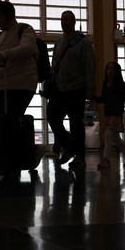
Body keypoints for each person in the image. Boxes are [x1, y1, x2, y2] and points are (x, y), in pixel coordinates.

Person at [46, 10, 96, 168]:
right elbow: (54, 65)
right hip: (61, 88)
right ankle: (68, 147)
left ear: (74, 22)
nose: (64, 22)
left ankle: (80, 156)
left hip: (77, 88)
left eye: (67, 19)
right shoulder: (58, 42)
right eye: (62, 19)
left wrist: (90, 89)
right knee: (52, 115)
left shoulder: (84, 42)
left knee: (75, 122)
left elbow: (90, 66)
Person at [0, 1, 39, 115]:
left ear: (9, 15)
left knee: (9, 120)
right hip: (1, 87)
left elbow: (28, 48)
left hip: (18, 86)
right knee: (4, 121)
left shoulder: (24, 29)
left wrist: (4, 54)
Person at [95, 62, 125, 170]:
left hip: (115, 114)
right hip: (108, 114)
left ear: (117, 72)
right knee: (115, 137)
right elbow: (103, 99)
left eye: (113, 69)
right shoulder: (105, 84)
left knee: (107, 135)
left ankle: (105, 160)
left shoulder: (120, 85)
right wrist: (93, 98)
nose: (110, 71)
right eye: (108, 69)